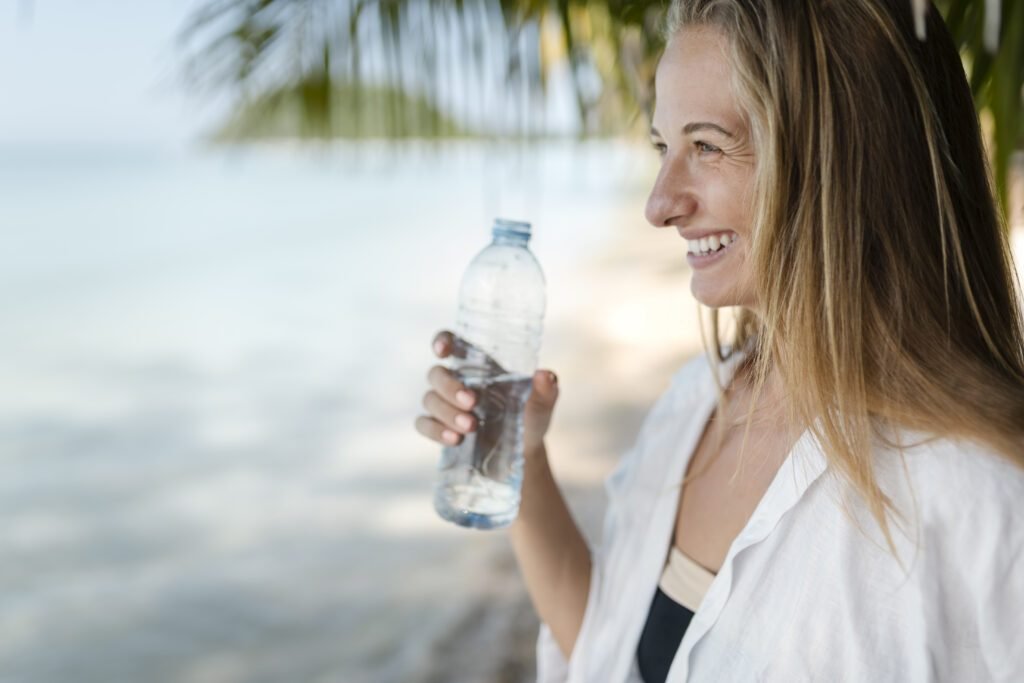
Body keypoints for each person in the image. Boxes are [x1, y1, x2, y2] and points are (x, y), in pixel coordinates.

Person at [415, 0, 1024, 679]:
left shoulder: (983, 499)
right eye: (662, 147)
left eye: (706, 145)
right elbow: (608, 645)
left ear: (843, 156)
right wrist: (520, 451)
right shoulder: (697, 402)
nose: (659, 203)